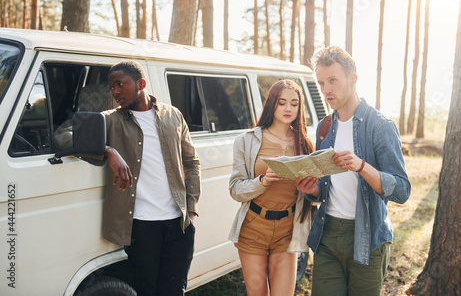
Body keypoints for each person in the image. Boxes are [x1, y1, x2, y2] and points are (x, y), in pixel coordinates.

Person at [295, 46, 411, 296]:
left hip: (367, 238)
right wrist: (313, 190)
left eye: (333, 80)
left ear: (353, 79)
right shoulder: (325, 127)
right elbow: (327, 186)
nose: (326, 90)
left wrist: (362, 166)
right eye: (322, 82)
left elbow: (402, 190)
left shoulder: (380, 126)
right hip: (327, 235)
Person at [85, 60, 201, 296]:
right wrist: (108, 151)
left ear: (141, 83)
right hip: (141, 226)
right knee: (146, 291)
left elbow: (192, 162)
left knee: (173, 291)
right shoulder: (111, 119)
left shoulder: (173, 115)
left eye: (120, 84)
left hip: (178, 224)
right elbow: (68, 137)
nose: (115, 91)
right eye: (112, 87)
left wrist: (190, 208)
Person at [228, 79, 314, 296]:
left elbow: (317, 193)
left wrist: (311, 187)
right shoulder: (246, 140)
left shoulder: (305, 143)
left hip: (288, 228)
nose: (288, 108)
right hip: (254, 227)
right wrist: (263, 181)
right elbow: (235, 189)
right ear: (271, 104)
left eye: (294, 104)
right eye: (282, 102)